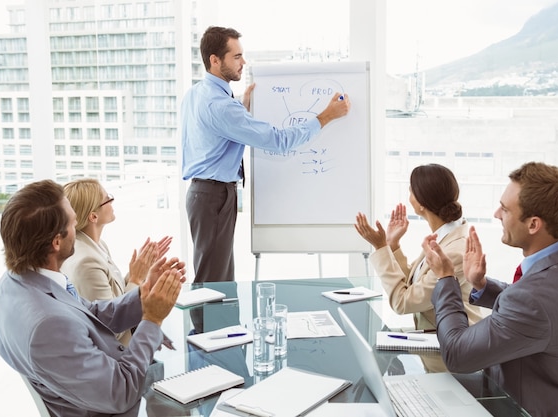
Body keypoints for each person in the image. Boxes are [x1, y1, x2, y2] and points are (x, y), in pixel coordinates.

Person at [422, 162, 558, 417]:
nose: (496, 214)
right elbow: (543, 308)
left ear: (534, 224)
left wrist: (446, 279)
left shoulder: (534, 300)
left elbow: (457, 355)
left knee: (418, 389)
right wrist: (482, 284)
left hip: (521, 406)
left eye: (504, 209)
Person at [0, 180, 186, 417]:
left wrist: (143, 295)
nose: (78, 228)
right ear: (57, 241)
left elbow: (90, 313)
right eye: (74, 224)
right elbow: (121, 393)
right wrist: (153, 319)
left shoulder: (13, 284)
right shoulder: (49, 326)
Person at [181, 25, 351, 283]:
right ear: (215, 60)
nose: (243, 62)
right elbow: (279, 141)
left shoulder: (196, 94)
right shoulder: (222, 107)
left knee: (215, 277)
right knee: (215, 282)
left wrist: (241, 106)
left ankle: (214, 324)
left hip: (203, 195)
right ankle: (211, 325)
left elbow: (211, 135)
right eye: (236, 56)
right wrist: (326, 116)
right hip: (214, 197)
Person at [355, 164, 483, 330]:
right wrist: (392, 245)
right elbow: (415, 285)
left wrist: (381, 247)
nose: (408, 197)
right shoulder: (445, 236)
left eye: (410, 191)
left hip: (456, 346)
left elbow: (403, 302)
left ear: (422, 202)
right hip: (434, 338)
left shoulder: (453, 252)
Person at [62, 178, 172, 346]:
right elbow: (112, 328)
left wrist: (141, 272)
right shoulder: (86, 262)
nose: (112, 201)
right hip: (117, 357)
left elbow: (114, 296)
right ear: (93, 216)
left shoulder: (95, 245)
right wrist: (136, 279)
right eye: (108, 199)